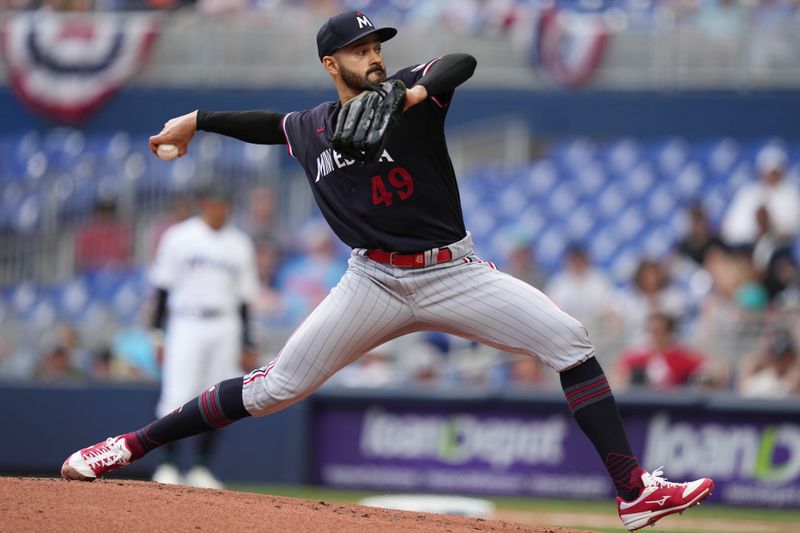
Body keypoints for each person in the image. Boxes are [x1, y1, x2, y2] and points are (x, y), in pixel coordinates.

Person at [60, 11, 713, 531]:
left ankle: (633, 491)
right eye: (360, 49)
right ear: (330, 63)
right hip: (371, 281)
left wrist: (412, 90)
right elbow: (266, 125)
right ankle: (128, 445)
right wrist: (196, 120)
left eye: (377, 45)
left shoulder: (410, 93)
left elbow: (464, 60)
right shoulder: (312, 127)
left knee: (570, 338)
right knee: (274, 388)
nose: (373, 56)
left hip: (452, 272)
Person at [146, 183, 260, 488]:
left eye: (223, 203)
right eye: (213, 202)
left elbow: (245, 299)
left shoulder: (240, 244)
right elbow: (162, 287)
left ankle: (201, 467)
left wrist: (247, 341)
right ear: (203, 203)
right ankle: (168, 464)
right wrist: (157, 333)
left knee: (218, 396)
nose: (218, 208)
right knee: (177, 394)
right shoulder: (179, 237)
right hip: (186, 322)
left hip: (225, 324)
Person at [613, 312, 711, 391]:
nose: (653, 336)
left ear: (668, 332)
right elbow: (618, 375)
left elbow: (707, 368)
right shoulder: (637, 356)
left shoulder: (682, 355)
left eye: (658, 331)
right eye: (650, 331)